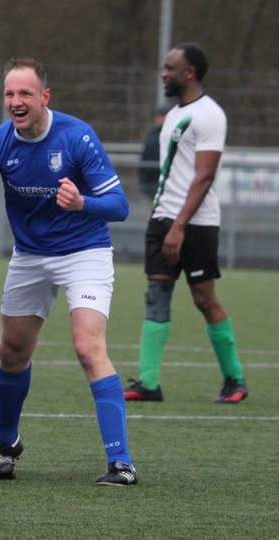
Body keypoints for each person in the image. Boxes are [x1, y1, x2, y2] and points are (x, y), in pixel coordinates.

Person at [0, 57, 137, 485]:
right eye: (9, 93)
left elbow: (119, 207)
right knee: (11, 353)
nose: (16, 101)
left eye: (25, 93)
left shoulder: (77, 137)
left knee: (87, 347)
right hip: (29, 256)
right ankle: (6, 440)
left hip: (85, 252)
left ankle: (121, 463)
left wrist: (83, 203)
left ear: (44, 97)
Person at [123, 42, 248, 404]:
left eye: (169, 68)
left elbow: (204, 177)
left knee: (204, 299)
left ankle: (235, 380)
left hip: (195, 224)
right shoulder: (176, 114)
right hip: (163, 218)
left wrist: (179, 226)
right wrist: (165, 220)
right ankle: (149, 382)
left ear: (189, 73)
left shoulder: (210, 115)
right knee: (156, 295)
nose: (163, 73)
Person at [137, 104, 170, 200]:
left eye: (163, 116)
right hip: (152, 182)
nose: (160, 119)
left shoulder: (172, 134)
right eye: (159, 116)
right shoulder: (152, 134)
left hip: (166, 182)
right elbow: (145, 156)